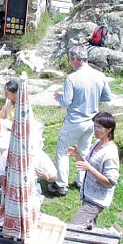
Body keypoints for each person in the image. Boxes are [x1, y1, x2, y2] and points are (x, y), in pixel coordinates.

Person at [48, 45, 112, 197]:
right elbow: (107, 97)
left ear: (75, 59)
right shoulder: (99, 75)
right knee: (84, 150)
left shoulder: (72, 78)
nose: (71, 63)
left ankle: (61, 184)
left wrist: (59, 98)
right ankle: (81, 181)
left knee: (64, 151)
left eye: (71, 60)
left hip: (75, 120)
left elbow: (66, 102)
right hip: (92, 121)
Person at [67, 112, 119, 227]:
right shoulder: (96, 144)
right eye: (94, 126)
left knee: (73, 227)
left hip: (96, 201)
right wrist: (77, 155)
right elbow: (87, 164)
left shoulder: (110, 153)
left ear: (109, 129)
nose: (95, 130)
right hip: (88, 196)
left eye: (99, 127)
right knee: (90, 228)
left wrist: (90, 169)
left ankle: (114, 233)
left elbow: (110, 183)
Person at [0, 122, 56, 196]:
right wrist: (7, 188)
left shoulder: (39, 154)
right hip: (12, 189)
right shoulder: (9, 154)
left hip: (31, 191)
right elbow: (0, 173)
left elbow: (54, 176)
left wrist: (46, 176)